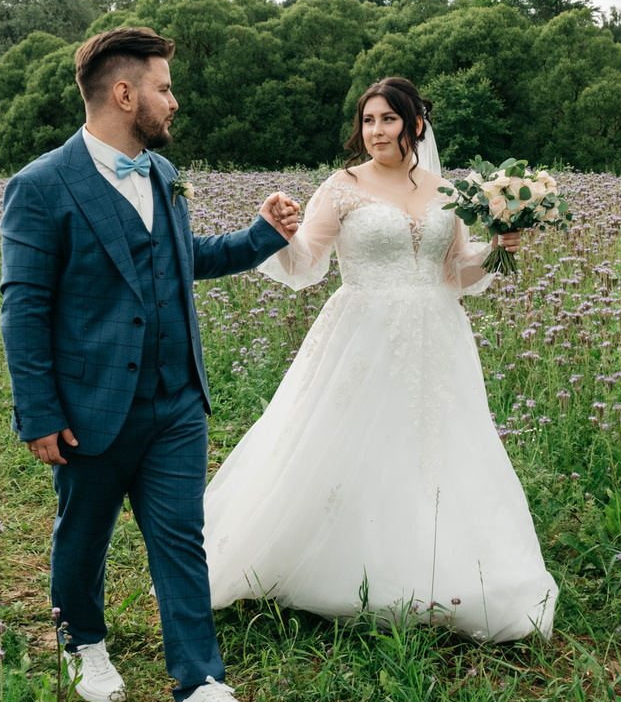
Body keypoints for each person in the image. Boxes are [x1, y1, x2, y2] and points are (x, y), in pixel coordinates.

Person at [0, 25, 304, 702]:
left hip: (176, 400)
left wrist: (262, 234)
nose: (175, 101)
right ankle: (82, 642)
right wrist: (38, 412)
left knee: (181, 539)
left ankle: (199, 687)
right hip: (89, 406)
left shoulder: (163, 174)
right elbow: (24, 306)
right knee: (85, 533)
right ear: (124, 93)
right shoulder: (40, 186)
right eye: (164, 88)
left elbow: (178, 258)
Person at [205, 76, 558, 641]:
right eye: (368, 121)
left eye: (388, 119)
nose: (376, 131)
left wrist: (496, 248)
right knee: (351, 442)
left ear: (414, 124)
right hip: (363, 334)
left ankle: (444, 570)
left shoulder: (447, 191)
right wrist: (278, 231)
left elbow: (454, 273)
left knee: (440, 447)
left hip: (438, 334)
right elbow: (305, 262)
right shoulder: (342, 187)